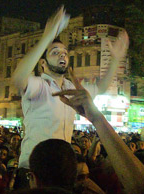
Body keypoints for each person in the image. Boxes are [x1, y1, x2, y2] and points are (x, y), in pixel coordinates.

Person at [11, 6, 129, 172]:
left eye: (65, 53)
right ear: (43, 64)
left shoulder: (70, 87)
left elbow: (100, 88)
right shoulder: (39, 86)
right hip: (34, 170)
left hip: (61, 170)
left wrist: (116, 59)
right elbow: (18, 78)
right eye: (55, 52)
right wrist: (47, 37)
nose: (62, 55)